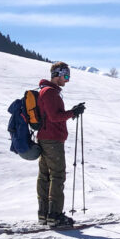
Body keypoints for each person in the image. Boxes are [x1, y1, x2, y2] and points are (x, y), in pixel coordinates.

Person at [36, 62, 85, 226]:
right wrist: (73, 112)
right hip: (52, 140)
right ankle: (54, 215)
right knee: (57, 175)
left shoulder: (47, 91)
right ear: (57, 74)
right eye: (66, 76)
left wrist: (72, 111)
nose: (67, 80)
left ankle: (44, 213)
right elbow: (54, 117)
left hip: (45, 137)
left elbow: (53, 115)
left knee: (45, 175)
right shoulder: (50, 92)